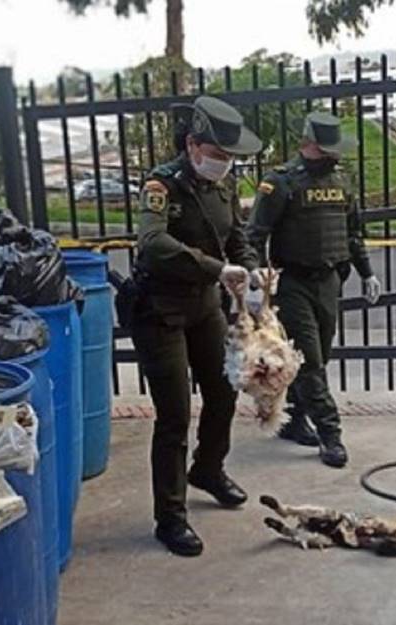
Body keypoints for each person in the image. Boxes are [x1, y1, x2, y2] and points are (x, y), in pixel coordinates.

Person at [131, 95, 262, 556]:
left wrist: (251, 271)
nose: (225, 164)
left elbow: (237, 236)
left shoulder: (223, 187)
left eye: (230, 157)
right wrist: (214, 268)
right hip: (160, 309)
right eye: (219, 155)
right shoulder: (160, 186)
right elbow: (152, 243)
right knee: (174, 416)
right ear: (193, 145)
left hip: (204, 305)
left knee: (224, 391)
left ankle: (208, 468)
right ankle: (170, 517)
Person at [246, 112, 382, 468]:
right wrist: (257, 277)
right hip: (293, 283)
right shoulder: (281, 183)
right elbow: (255, 236)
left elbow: (352, 232)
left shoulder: (342, 180)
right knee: (311, 360)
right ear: (312, 144)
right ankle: (330, 434)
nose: (337, 155)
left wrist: (366, 272)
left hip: (329, 281)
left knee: (318, 354)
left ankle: (294, 420)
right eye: (331, 148)